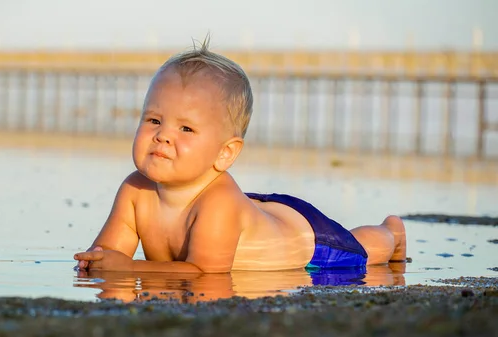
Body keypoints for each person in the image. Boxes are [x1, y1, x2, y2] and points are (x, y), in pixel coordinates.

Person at [74, 39, 407, 274]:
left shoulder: (217, 202)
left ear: (225, 153)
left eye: (186, 129)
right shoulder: (136, 190)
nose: (163, 135)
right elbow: (108, 254)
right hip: (251, 211)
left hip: (302, 235)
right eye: (154, 120)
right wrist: (99, 264)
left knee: (363, 251)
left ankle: (392, 232)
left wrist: (131, 269)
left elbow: (205, 271)